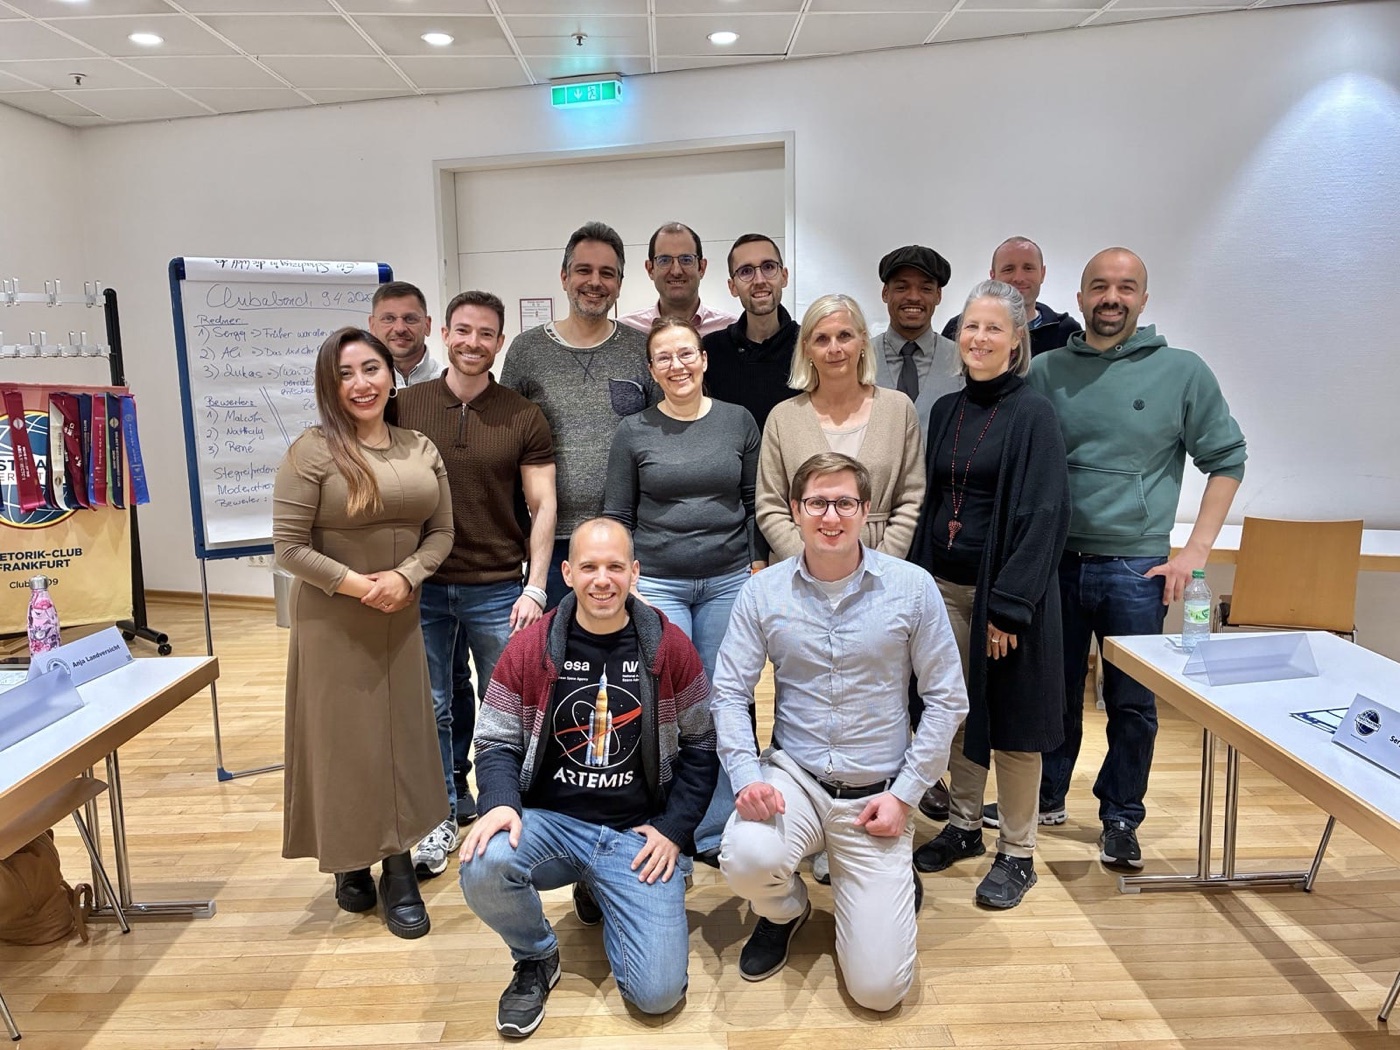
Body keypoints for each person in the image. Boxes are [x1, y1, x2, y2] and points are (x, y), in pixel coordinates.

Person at [713, 453, 967, 1012]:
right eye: (817, 503)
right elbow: (729, 692)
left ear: (866, 511)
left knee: (879, 993)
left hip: (878, 795)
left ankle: (875, 886)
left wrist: (906, 797)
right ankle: (785, 910)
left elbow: (948, 699)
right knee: (745, 855)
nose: (831, 516)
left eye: (845, 503)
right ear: (796, 512)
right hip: (795, 779)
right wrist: (746, 775)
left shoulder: (912, 587)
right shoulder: (763, 592)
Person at [1028, 247, 1247, 869]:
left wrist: (1194, 555)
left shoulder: (1182, 371)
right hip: (1058, 562)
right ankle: (1045, 798)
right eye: (1100, 286)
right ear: (1079, 296)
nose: (1111, 298)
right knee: (1055, 693)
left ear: (1143, 300)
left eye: (1126, 287)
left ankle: (1121, 816)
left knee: (1131, 703)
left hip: (1136, 569)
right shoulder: (1046, 372)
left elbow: (1226, 459)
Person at [458, 518, 718, 1039]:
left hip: (635, 836)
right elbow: (495, 740)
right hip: (552, 823)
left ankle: (604, 891)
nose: (603, 579)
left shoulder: (668, 648)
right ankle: (537, 956)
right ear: (567, 572)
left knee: (658, 995)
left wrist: (673, 829)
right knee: (484, 860)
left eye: (616, 567)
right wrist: (501, 802)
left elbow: (702, 746)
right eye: (590, 567)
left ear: (635, 572)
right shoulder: (530, 648)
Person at [273, 326, 452, 940]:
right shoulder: (311, 452)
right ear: (330, 383)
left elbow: (443, 534)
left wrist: (404, 578)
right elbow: (289, 549)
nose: (361, 383)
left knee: (401, 736)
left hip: (401, 611)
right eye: (346, 373)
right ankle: (351, 857)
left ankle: (397, 863)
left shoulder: (419, 446)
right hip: (335, 618)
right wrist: (360, 585)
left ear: (391, 374)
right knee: (345, 742)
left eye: (370, 369)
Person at [907, 280, 1071, 909]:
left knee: (1013, 725)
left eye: (993, 328)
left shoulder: (1033, 413)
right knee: (954, 711)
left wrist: (1008, 605)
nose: (978, 338)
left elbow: (1046, 514)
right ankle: (965, 825)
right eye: (970, 327)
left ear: (1017, 338)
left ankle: (1019, 852)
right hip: (944, 586)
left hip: (1004, 596)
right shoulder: (947, 410)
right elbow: (934, 504)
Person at [395, 290, 557, 878]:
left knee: (505, 708)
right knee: (433, 705)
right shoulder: (403, 406)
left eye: (485, 333)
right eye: (463, 330)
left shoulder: (522, 414)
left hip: (496, 587)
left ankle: (502, 809)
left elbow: (543, 505)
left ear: (500, 341)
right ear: (444, 332)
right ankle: (440, 817)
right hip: (423, 585)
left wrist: (535, 587)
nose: (472, 343)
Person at [604, 317, 761, 867]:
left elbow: (753, 498)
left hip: (728, 579)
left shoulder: (738, 421)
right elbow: (618, 513)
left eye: (686, 354)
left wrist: (759, 564)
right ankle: (672, 826)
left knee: (724, 702)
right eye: (664, 358)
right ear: (651, 369)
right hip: (661, 584)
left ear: (704, 359)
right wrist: (629, 582)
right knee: (669, 703)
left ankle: (720, 827)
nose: (678, 366)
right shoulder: (634, 431)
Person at [502, 221, 655, 609]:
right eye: (584, 270)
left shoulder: (641, 349)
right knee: (556, 659)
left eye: (607, 273)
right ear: (564, 276)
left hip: (629, 539)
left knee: (629, 660)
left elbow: (659, 440)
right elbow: (506, 447)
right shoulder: (527, 351)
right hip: (552, 544)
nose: (595, 282)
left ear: (619, 283)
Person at [756, 294, 925, 563]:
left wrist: (879, 565)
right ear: (806, 348)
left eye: (844, 336)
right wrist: (812, 564)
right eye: (822, 339)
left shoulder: (898, 410)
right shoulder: (783, 417)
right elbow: (770, 506)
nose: (834, 348)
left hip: (882, 566)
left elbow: (911, 498)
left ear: (862, 341)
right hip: (799, 568)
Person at [702, 233, 801, 436]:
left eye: (768, 267)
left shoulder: (809, 346)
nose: (759, 280)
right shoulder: (712, 350)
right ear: (732, 286)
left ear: (784, 276)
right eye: (746, 271)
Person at [871, 245, 963, 440]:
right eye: (902, 287)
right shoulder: (859, 358)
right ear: (885, 292)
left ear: (938, 295)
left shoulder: (962, 361)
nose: (913, 297)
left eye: (925, 288)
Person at [942, 238, 1081, 358]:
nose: (1018, 278)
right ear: (993, 276)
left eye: (1028, 268)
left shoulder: (1067, 331)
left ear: (1042, 274)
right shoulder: (958, 328)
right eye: (1008, 269)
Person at [619, 222, 736, 336]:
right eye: (664, 260)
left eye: (686, 260)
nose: (676, 271)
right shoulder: (625, 332)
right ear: (650, 269)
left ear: (702, 268)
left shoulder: (731, 330)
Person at [368, 280, 441, 387]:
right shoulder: (361, 389)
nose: (400, 329)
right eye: (389, 319)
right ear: (372, 325)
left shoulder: (449, 385)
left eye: (410, 319)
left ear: (427, 325)